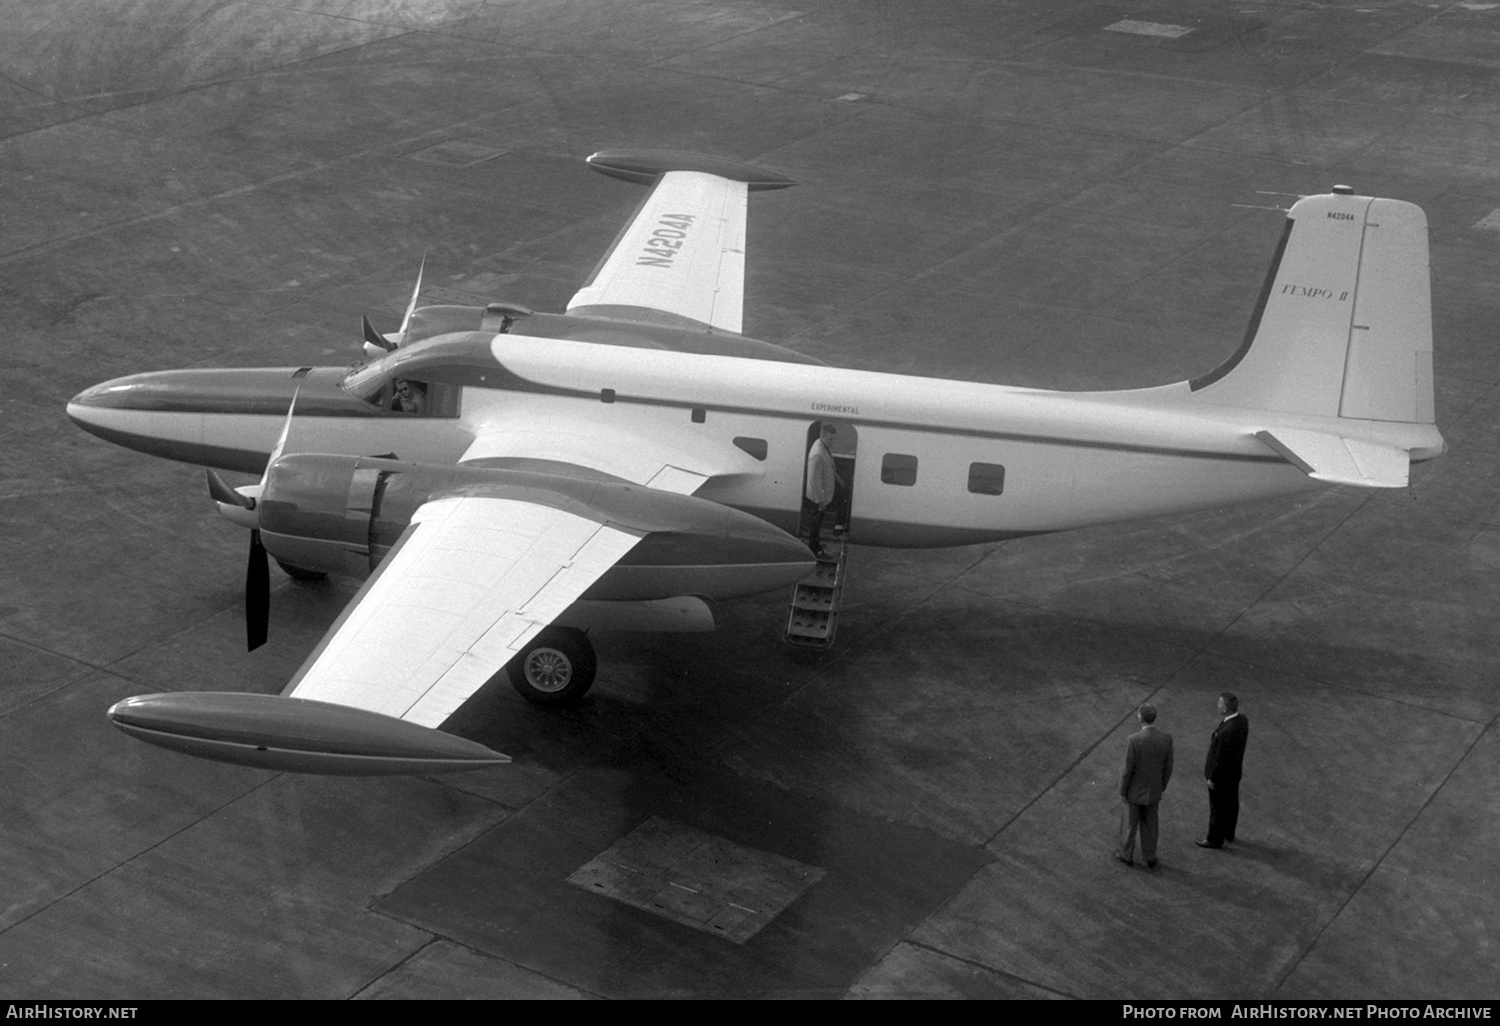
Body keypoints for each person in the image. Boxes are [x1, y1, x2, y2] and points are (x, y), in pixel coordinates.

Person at [1117, 704, 1173, 869]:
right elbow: (1168, 767)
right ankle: (1150, 856)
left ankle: (1127, 855)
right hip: (1153, 790)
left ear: (1140, 718)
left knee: (1129, 824)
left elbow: (1127, 769)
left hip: (1134, 791)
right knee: (1151, 825)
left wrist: (1122, 790)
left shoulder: (1134, 740)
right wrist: (1161, 786)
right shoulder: (1166, 738)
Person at [1197, 692, 1249, 849]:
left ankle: (1214, 838)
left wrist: (1212, 777)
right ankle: (1228, 832)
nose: (1217, 705)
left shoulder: (1226, 732)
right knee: (1231, 803)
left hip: (1221, 777)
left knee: (1217, 807)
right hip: (1234, 773)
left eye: (1219, 704)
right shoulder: (1242, 720)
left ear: (1225, 708)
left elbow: (1220, 758)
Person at [803, 423, 839, 559]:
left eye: (834, 439)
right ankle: (814, 549)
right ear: (823, 436)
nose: (833, 442)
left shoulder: (823, 447)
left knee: (817, 524)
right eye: (831, 439)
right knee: (815, 524)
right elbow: (814, 480)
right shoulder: (818, 454)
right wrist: (820, 500)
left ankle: (816, 545)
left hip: (821, 497)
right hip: (818, 499)